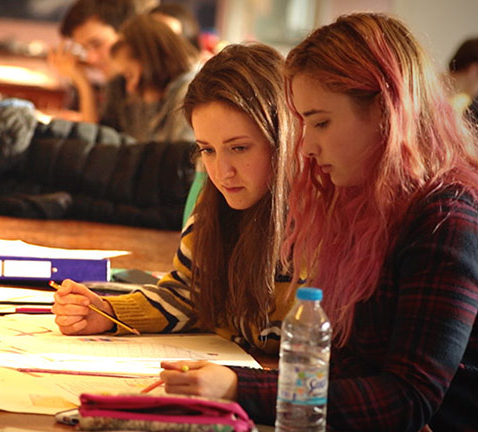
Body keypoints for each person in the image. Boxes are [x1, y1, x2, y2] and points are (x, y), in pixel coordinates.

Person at [155, 13, 478, 431]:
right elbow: (354, 366)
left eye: (320, 122)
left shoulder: (449, 217)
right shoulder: (361, 202)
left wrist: (237, 387)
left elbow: (406, 400)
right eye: (302, 123)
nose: (304, 146)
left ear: (386, 112)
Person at [52, 42, 296, 354]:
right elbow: (188, 291)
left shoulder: (317, 219)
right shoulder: (215, 202)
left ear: (282, 137)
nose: (222, 172)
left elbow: (287, 334)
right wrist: (109, 313)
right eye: (207, 149)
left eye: (239, 148)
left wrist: (223, 321)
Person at [103, 14, 199, 142]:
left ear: (150, 63)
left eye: (129, 75)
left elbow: (180, 156)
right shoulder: (162, 95)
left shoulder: (191, 93)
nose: (130, 88)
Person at [47, 0, 136, 124]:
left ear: (127, 32)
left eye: (97, 44)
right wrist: (81, 80)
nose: (90, 58)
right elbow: (98, 133)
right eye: (84, 48)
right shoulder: (117, 83)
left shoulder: (146, 84)